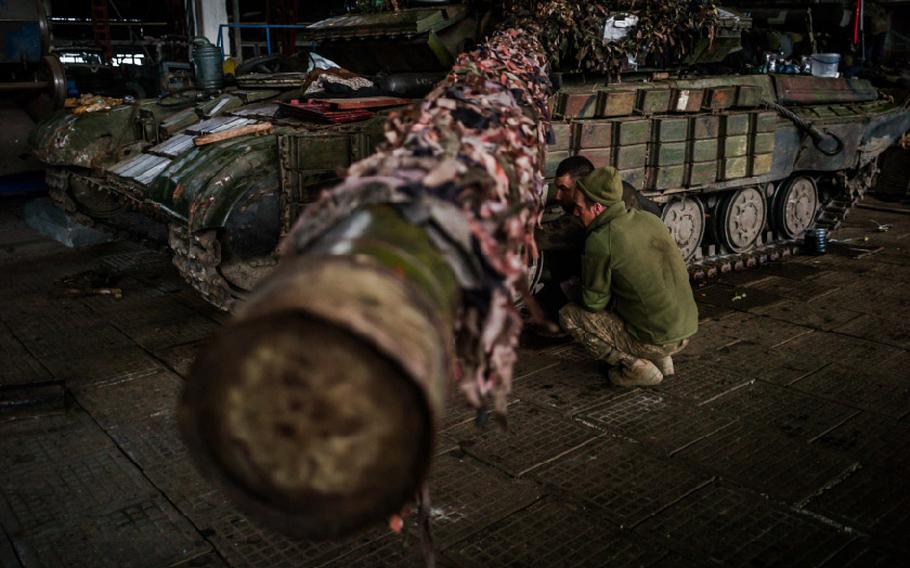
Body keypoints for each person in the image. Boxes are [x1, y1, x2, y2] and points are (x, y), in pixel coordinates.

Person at [558, 167, 698, 387]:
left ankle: (636, 367)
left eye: (579, 207)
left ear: (597, 208)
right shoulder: (649, 219)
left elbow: (594, 303)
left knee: (569, 315)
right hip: (686, 328)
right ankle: (663, 360)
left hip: (657, 339)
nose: (575, 213)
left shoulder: (601, 239)